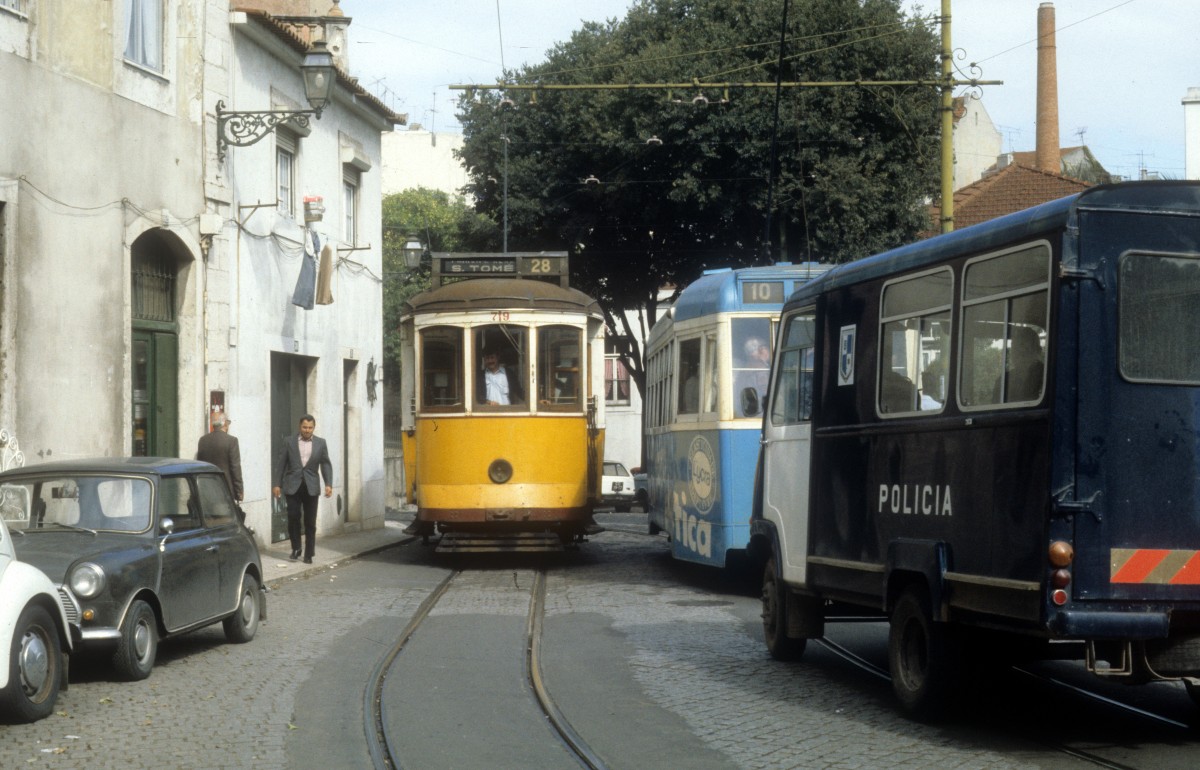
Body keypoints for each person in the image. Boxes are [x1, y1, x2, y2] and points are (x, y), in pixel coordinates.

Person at [272, 414, 333, 564]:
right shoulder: (289, 442)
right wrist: (276, 484)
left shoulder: (320, 443)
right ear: (300, 427)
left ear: (314, 428)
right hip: (293, 485)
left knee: (310, 522)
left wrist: (328, 484)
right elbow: (281, 464)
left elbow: (325, 464)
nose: (307, 430)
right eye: (305, 427)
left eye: (310, 428)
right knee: (293, 518)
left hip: (311, 486)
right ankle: (296, 548)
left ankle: (309, 553)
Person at [196, 411, 244, 504]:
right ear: (225, 423)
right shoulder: (231, 441)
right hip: (225, 490)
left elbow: (199, 466)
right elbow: (235, 468)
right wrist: (239, 493)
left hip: (206, 490)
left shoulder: (202, 440)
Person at [734, 337, 771, 417]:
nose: (766, 351)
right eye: (762, 348)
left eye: (765, 347)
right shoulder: (745, 374)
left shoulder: (768, 369)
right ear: (752, 354)